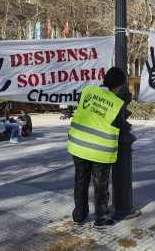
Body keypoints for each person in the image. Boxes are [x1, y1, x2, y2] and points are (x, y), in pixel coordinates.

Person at [68, 66, 126, 230]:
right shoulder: (116, 103)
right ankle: (100, 220)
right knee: (100, 186)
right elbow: (120, 125)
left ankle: (79, 217)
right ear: (118, 87)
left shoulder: (87, 91)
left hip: (79, 146)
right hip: (100, 151)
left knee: (80, 182)